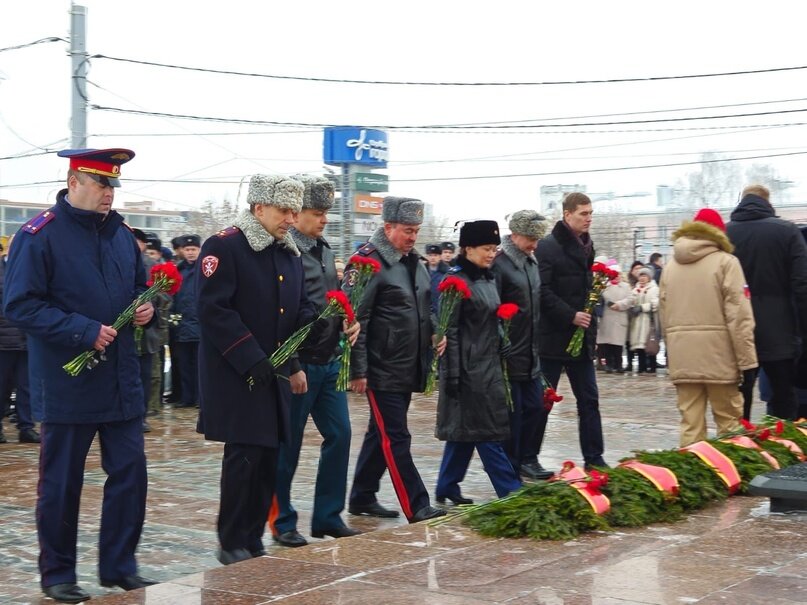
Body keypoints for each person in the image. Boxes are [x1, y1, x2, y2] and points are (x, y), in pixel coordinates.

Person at [3, 148, 156, 603]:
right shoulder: (39, 236)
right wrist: (81, 330)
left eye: (112, 186)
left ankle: (119, 566)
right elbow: (20, 304)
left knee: (130, 474)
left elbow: (134, 288)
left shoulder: (122, 235)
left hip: (121, 378)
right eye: (100, 184)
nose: (108, 194)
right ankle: (57, 573)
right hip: (68, 379)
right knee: (62, 482)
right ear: (74, 183)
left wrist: (144, 307)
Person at [196, 174, 316, 565]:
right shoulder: (227, 245)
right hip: (238, 373)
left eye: (295, 212)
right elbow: (214, 310)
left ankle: (253, 536)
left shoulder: (289, 251)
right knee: (244, 457)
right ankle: (232, 539)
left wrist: (321, 322)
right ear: (258, 207)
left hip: (275, 374)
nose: (290, 219)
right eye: (283, 210)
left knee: (269, 457)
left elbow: (292, 312)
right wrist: (251, 357)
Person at [268, 174, 360, 547]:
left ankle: (327, 516)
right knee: (286, 444)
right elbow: (280, 313)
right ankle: (282, 521)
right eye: (317, 212)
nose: (324, 220)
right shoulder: (284, 251)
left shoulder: (323, 250)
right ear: (297, 212)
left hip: (329, 358)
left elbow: (327, 301)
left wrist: (348, 323)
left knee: (340, 434)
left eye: (326, 213)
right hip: (297, 363)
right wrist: (290, 364)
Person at [345, 196, 446, 523]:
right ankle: (417, 505)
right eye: (407, 230)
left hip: (407, 362)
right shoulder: (366, 263)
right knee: (396, 436)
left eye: (416, 230)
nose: (413, 237)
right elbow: (354, 319)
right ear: (387, 227)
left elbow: (424, 309)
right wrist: (357, 369)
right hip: (380, 366)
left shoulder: (414, 263)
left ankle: (362, 495)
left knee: (381, 432)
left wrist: (435, 332)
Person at [435, 220, 522, 502]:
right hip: (469, 371)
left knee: (465, 433)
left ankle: (447, 486)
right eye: (486, 248)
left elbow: (489, 318)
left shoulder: (487, 277)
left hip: (490, 365)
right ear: (468, 248)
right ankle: (510, 491)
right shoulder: (455, 282)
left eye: (495, 248)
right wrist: (453, 375)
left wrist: (502, 339)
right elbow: (449, 331)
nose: (491, 253)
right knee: (487, 434)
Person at [659, 208, 757, 446]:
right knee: (729, 426)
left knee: (690, 426)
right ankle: (731, 478)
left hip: (684, 356)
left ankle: (694, 478)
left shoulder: (670, 267)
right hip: (720, 357)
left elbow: (663, 314)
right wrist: (748, 361)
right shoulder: (727, 263)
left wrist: (674, 350)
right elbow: (739, 316)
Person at [534, 192, 608, 470]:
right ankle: (529, 457)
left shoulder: (588, 246)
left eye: (590, 213)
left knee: (589, 399)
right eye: (583, 214)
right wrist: (569, 315)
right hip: (552, 338)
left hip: (581, 339)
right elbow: (542, 290)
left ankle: (594, 457)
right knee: (544, 401)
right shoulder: (548, 246)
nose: (589, 218)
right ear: (567, 215)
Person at [727, 184, 807, 420]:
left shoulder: (724, 233)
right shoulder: (787, 231)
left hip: (737, 328)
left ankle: (739, 449)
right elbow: (802, 284)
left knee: (738, 400)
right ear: (768, 201)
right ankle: (785, 450)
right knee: (784, 396)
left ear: (741, 200)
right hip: (780, 328)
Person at [491, 210, 552, 480]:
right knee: (512, 416)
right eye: (530, 238)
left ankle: (528, 458)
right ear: (514, 235)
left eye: (537, 239)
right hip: (509, 353)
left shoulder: (531, 262)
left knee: (536, 408)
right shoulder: (500, 263)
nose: (534, 245)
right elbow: (492, 309)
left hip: (530, 352)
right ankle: (511, 468)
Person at [0, 236, 39, 444]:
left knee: (27, 386)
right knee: (2, 386)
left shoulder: (30, 270)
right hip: (4, 341)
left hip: (27, 339)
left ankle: (26, 427)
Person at [172, 234, 201, 408]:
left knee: (199, 366)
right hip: (181, 325)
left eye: (193, 249)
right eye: (187, 249)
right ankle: (186, 397)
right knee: (183, 365)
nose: (190, 253)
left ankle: (199, 398)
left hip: (199, 326)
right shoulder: (178, 270)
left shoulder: (205, 269)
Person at [596, 264, 633, 373]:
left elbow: (630, 299)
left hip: (620, 316)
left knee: (618, 344)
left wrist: (620, 304)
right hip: (607, 317)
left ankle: (619, 364)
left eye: (618, 275)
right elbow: (601, 298)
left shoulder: (626, 286)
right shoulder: (604, 286)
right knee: (607, 343)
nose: (616, 277)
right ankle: (609, 364)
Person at [628, 267, 659, 374]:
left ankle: (653, 366)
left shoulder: (654, 289)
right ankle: (642, 367)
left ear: (649, 277)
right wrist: (632, 306)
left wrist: (642, 307)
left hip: (647, 320)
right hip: (637, 321)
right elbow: (630, 300)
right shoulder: (635, 289)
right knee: (639, 346)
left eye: (644, 276)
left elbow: (655, 304)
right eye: (641, 275)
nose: (642, 278)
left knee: (649, 343)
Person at [424, 243, 450, 315]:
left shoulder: (447, 272)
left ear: (440, 257)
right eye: (430, 255)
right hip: (424, 310)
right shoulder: (421, 271)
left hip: (441, 311)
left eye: (435, 255)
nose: (432, 258)